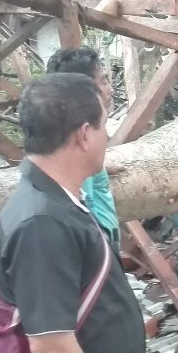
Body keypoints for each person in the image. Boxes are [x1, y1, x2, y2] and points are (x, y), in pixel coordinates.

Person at [0, 73, 145, 353]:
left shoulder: (56, 200)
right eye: (104, 125)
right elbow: (52, 349)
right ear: (85, 135)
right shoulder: (43, 224)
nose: (107, 136)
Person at [46, 47, 121, 251]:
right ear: (85, 88)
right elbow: (82, 205)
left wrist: (101, 169)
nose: (110, 88)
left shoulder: (73, 134)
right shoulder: (80, 141)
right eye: (104, 81)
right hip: (98, 244)